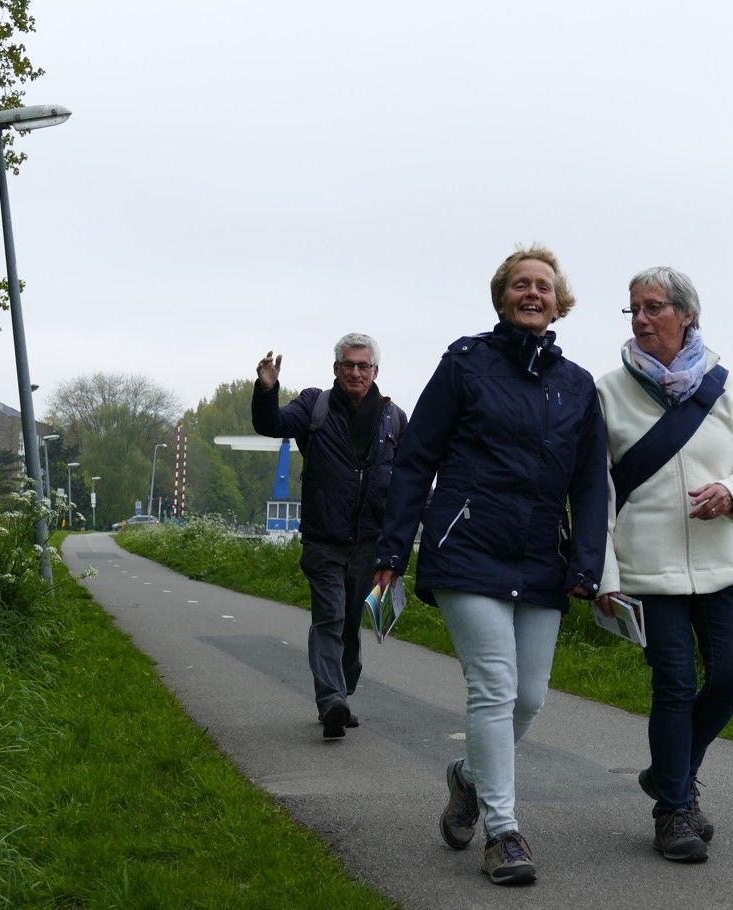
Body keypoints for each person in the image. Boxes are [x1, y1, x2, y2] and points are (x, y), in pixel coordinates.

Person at [373, 246, 606, 886]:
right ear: (502, 295)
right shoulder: (466, 364)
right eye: (521, 285)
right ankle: (503, 831)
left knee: (529, 696)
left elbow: (590, 486)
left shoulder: (578, 386)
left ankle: (469, 778)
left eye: (545, 287)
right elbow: (417, 457)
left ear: (560, 303)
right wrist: (394, 550)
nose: (534, 294)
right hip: (466, 546)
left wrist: (588, 562)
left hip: (539, 556)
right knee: (495, 687)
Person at [595, 266, 733, 863]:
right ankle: (673, 810)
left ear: (687, 315)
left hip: (722, 565)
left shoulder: (726, 388)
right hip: (648, 572)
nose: (643, 319)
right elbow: (593, 492)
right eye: (635, 310)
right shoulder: (607, 393)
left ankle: (668, 770)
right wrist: (603, 576)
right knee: (674, 684)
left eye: (654, 307)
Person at [252, 333, 406, 738]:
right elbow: (271, 424)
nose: (355, 372)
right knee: (330, 617)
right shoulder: (313, 405)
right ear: (336, 369)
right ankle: (332, 701)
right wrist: (267, 390)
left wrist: (398, 549)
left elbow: (409, 486)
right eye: (348, 365)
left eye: (363, 366)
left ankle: (341, 689)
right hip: (323, 538)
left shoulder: (395, 419)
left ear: (375, 371)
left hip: (370, 543)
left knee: (350, 623)